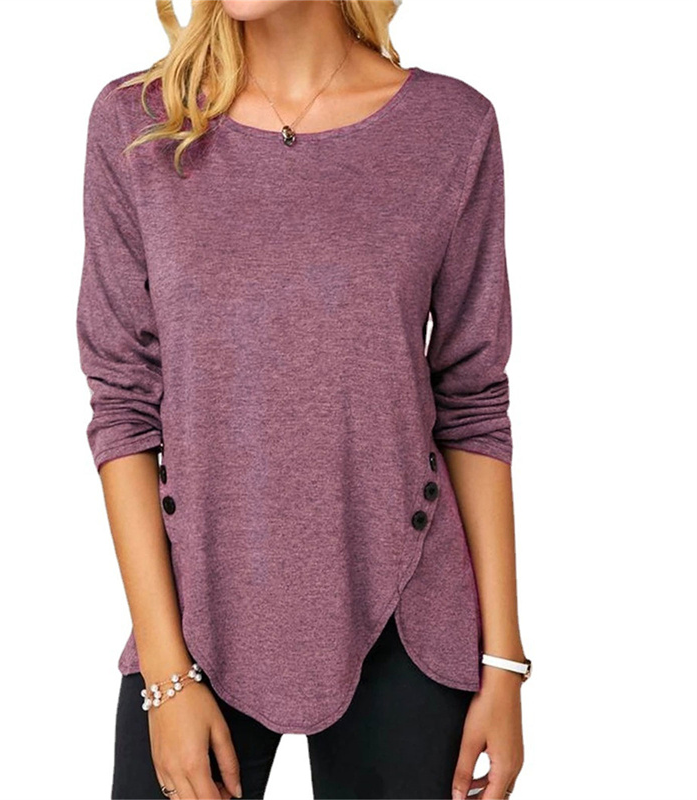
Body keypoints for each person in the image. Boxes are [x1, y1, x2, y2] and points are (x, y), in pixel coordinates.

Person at [75, 1, 531, 798]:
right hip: (197, 619)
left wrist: (503, 664)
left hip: (406, 618)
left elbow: (472, 402)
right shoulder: (140, 125)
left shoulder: (452, 129)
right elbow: (122, 406)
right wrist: (166, 675)